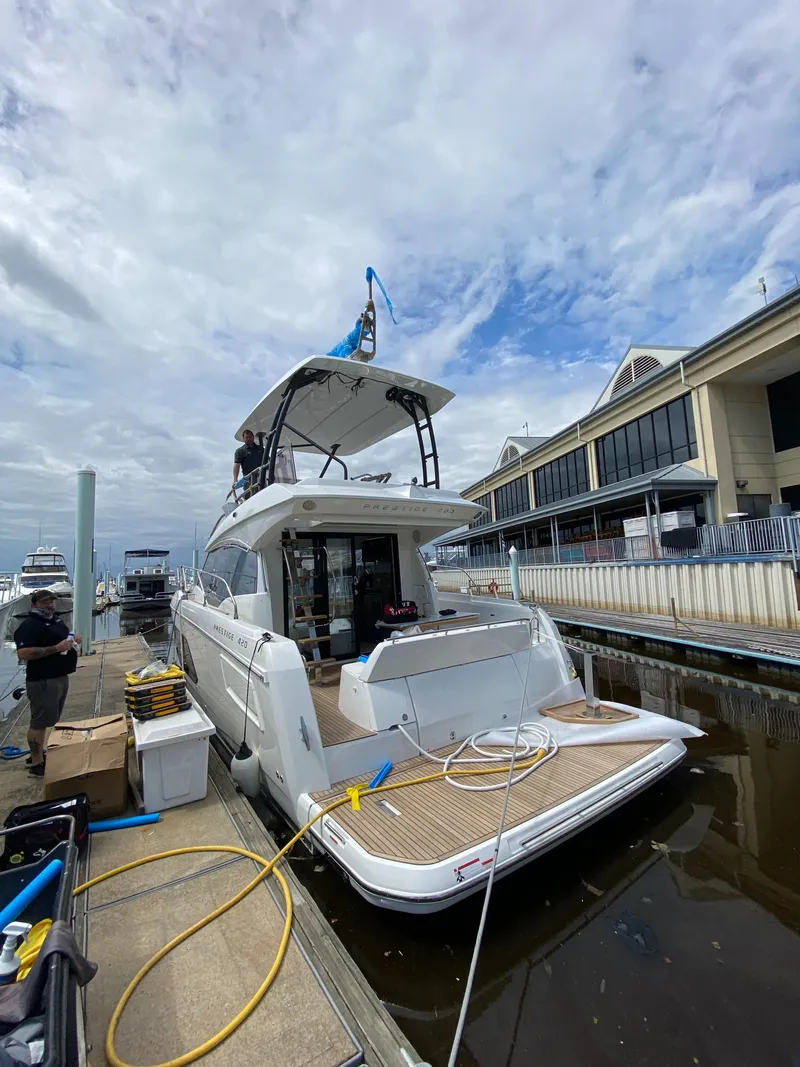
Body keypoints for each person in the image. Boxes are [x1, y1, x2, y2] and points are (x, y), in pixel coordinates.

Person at [13, 590, 81, 778]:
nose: (50, 605)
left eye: (52, 601)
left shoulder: (55, 620)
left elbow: (62, 639)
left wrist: (72, 640)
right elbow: (23, 653)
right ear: (35, 604)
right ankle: (36, 763)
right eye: (45, 602)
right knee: (38, 722)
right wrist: (56, 648)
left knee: (48, 721)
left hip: (59, 677)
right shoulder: (29, 626)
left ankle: (39, 755)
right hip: (43, 680)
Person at [232, 429, 264, 498]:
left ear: (253, 437)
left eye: (250, 437)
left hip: (261, 475)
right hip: (249, 477)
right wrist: (235, 479)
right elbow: (236, 465)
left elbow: (267, 460)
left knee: (264, 492)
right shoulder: (240, 451)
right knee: (249, 496)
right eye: (246, 437)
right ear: (243, 439)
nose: (249, 439)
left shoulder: (261, 449)